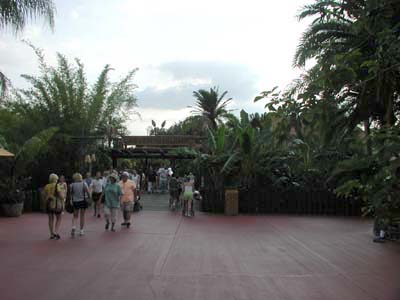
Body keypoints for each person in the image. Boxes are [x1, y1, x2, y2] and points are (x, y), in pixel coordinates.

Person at [44, 173, 64, 239]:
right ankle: (56, 232)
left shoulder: (47, 186)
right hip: (56, 204)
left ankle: (51, 234)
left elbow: (45, 195)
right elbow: (61, 196)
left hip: (49, 204)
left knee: (50, 219)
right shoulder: (57, 185)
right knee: (59, 218)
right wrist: (63, 196)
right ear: (56, 179)